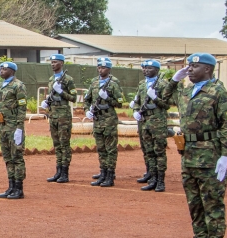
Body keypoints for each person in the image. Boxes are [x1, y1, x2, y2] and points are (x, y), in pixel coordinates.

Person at [163, 53, 227, 238]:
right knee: (195, 205)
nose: (190, 70)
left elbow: (226, 125)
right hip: (189, 154)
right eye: (189, 66)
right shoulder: (185, 91)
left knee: (212, 205)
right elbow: (162, 100)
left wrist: (225, 155)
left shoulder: (217, 91)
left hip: (210, 154)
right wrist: (173, 80)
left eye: (195, 66)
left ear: (208, 69)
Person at [0, 61, 28, 199]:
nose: (1, 71)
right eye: (1, 69)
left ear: (12, 71)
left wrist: (19, 128)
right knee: (8, 157)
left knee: (17, 157)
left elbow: (22, 107)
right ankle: (11, 186)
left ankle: (19, 188)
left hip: (14, 126)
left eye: (4, 69)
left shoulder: (18, 85)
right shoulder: (0, 86)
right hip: (3, 125)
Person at [83, 57, 125, 188]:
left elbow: (119, 103)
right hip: (97, 119)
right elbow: (87, 99)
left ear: (109, 69)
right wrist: (87, 110)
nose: (101, 70)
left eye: (104, 68)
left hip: (109, 119)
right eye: (99, 67)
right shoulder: (94, 82)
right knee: (100, 148)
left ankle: (110, 175)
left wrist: (108, 98)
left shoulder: (113, 83)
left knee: (110, 149)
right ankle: (103, 172)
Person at [131, 60, 169, 192]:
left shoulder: (163, 85)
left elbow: (167, 104)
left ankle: (160, 181)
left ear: (157, 70)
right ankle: (152, 178)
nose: (146, 70)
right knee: (149, 151)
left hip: (158, 122)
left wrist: (156, 98)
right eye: (145, 68)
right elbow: (137, 101)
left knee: (159, 152)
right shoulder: (142, 85)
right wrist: (136, 111)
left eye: (150, 68)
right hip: (145, 122)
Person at [42, 54, 76, 183]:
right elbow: (52, 95)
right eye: (51, 62)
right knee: (56, 144)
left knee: (64, 144)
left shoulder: (68, 79)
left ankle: (65, 173)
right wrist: (47, 102)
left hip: (63, 115)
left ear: (61, 63)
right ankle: (58, 171)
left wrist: (61, 92)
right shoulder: (51, 79)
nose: (52, 64)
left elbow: (73, 97)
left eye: (55, 62)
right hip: (53, 114)